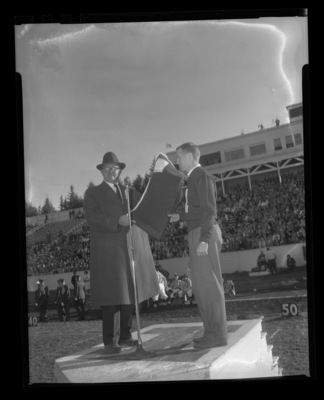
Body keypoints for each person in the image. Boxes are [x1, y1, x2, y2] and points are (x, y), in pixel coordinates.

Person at [83, 151, 160, 354]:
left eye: (114, 169)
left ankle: (125, 336)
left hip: (130, 248)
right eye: (107, 169)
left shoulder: (129, 191)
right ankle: (111, 340)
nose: (111, 172)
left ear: (119, 171)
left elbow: (144, 205)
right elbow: (92, 217)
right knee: (112, 295)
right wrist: (117, 220)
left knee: (129, 294)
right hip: (109, 251)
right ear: (101, 171)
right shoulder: (92, 193)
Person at [169, 142, 228, 349]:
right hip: (198, 231)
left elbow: (209, 211)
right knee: (202, 287)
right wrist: (182, 216)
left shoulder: (201, 176)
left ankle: (217, 335)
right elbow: (199, 210)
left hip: (204, 233)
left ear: (191, 157)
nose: (177, 161)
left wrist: (204, 238)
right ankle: (211, 332)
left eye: (179, 157)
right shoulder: (193, 178)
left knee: (209, 285)